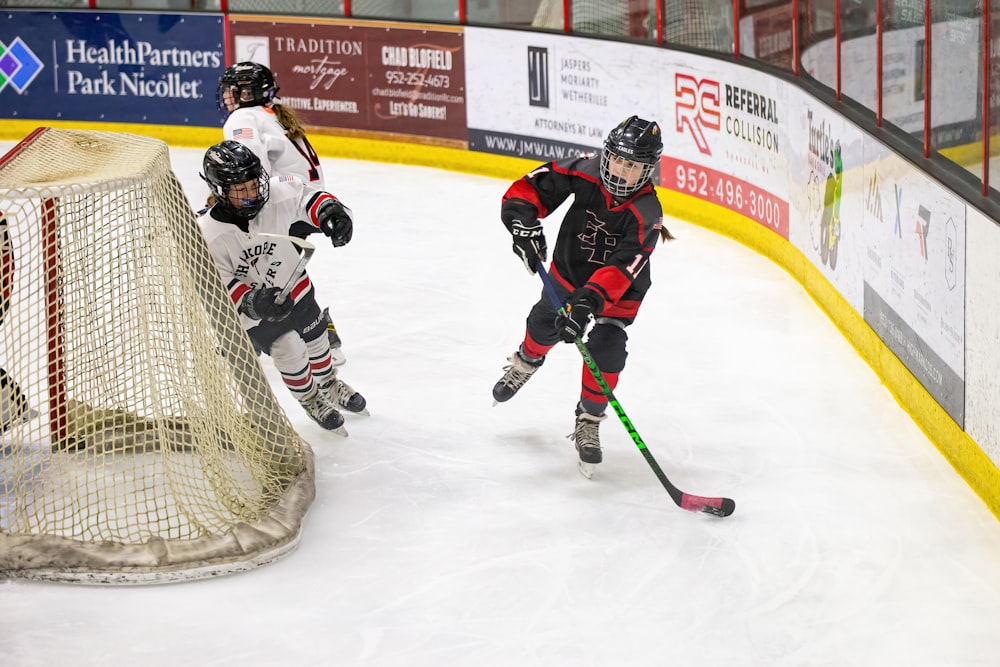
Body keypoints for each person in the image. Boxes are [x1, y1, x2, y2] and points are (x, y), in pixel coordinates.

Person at [492, 115, 671, 470]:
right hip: (571, 268)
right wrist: (522, 221)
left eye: (632, 166)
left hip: (618, 291)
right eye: (617, 160)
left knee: (607, 350)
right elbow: (531, 188)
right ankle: (527, 361)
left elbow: (622, 269)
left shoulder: (647, 213)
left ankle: (589, 418)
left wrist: (587, 305)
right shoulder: (586, 170)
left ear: (648, 170)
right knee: (544, 324)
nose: (620, 171)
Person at [199, 140, 367, 434]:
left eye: (254, 184)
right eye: (241, 190)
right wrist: (251, 301)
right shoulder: (207, 234)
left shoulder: (277, 195)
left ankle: (328, 383)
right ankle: (312, 399)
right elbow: (217, 282)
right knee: (288, 347)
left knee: (316, 337)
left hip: (297, 290)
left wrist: (331, 214)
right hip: (257, 312)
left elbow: (309, 199)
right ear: (219, 191)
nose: (252, 194)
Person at [216, 61, 347, 365]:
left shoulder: (243, 117)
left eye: (233, 91)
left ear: (246, 93)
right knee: (276, 268)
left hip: (288, 205)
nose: (227, 98)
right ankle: (312, 334)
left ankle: (298, 336)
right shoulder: (273, 110)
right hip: (308, 204)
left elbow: (249, 170)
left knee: (249, 264)